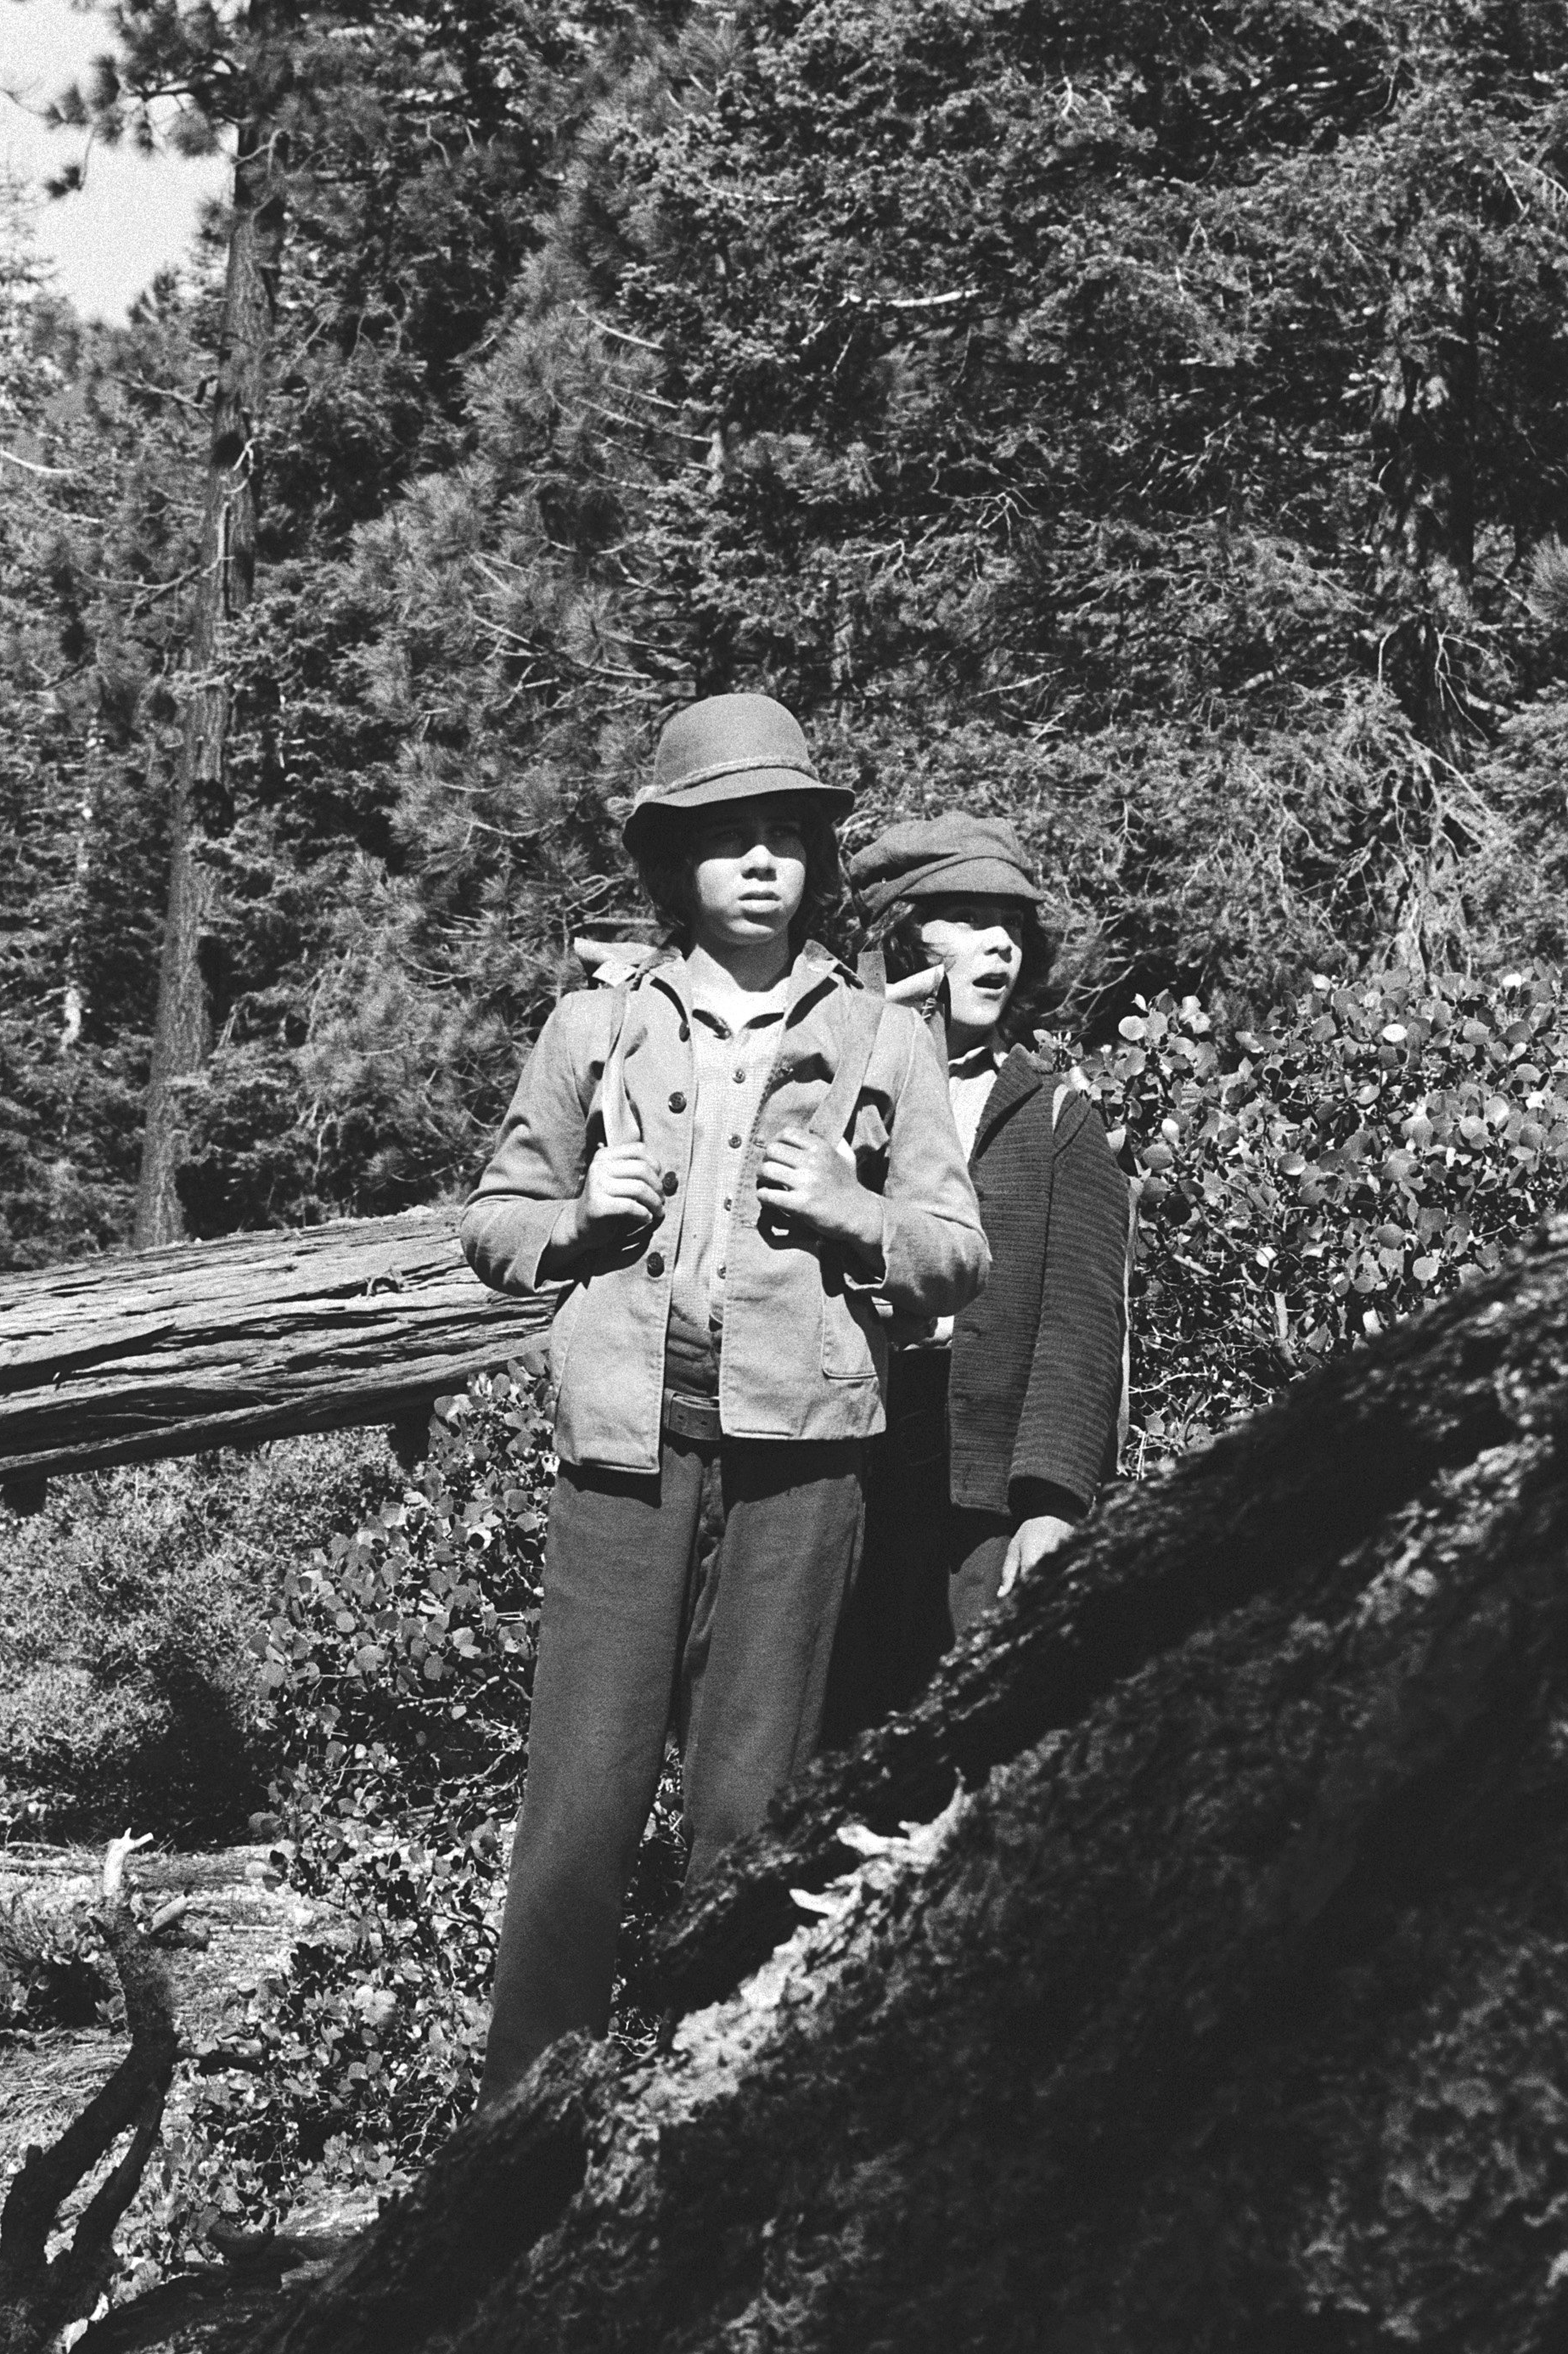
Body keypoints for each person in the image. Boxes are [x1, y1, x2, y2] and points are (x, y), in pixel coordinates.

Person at [460, 695, 987, 2101]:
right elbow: (493, 1223)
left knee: (747, 1805)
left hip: (802, 1460)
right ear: (668, 862)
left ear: (817, 861)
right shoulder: (596, 1025)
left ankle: (703, 2106)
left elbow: (956, 1254)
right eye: (724, 839)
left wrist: (849, 1213)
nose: (759, 863)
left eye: (785, 838)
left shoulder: (888, 1037)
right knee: (579, 1800)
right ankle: (516, 2136)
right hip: (622, 1454)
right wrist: (577, 1220)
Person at [828, 811, 1134, 1729]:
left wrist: (1052, 1505)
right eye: (965, 916)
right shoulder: (832, 1095)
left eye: (1012, 924)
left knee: (981, 1735)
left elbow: (1081, 1328)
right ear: (904, 937)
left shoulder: (1054, 1120)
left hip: (986, 1498)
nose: (998, 942)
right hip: (843, 1479)